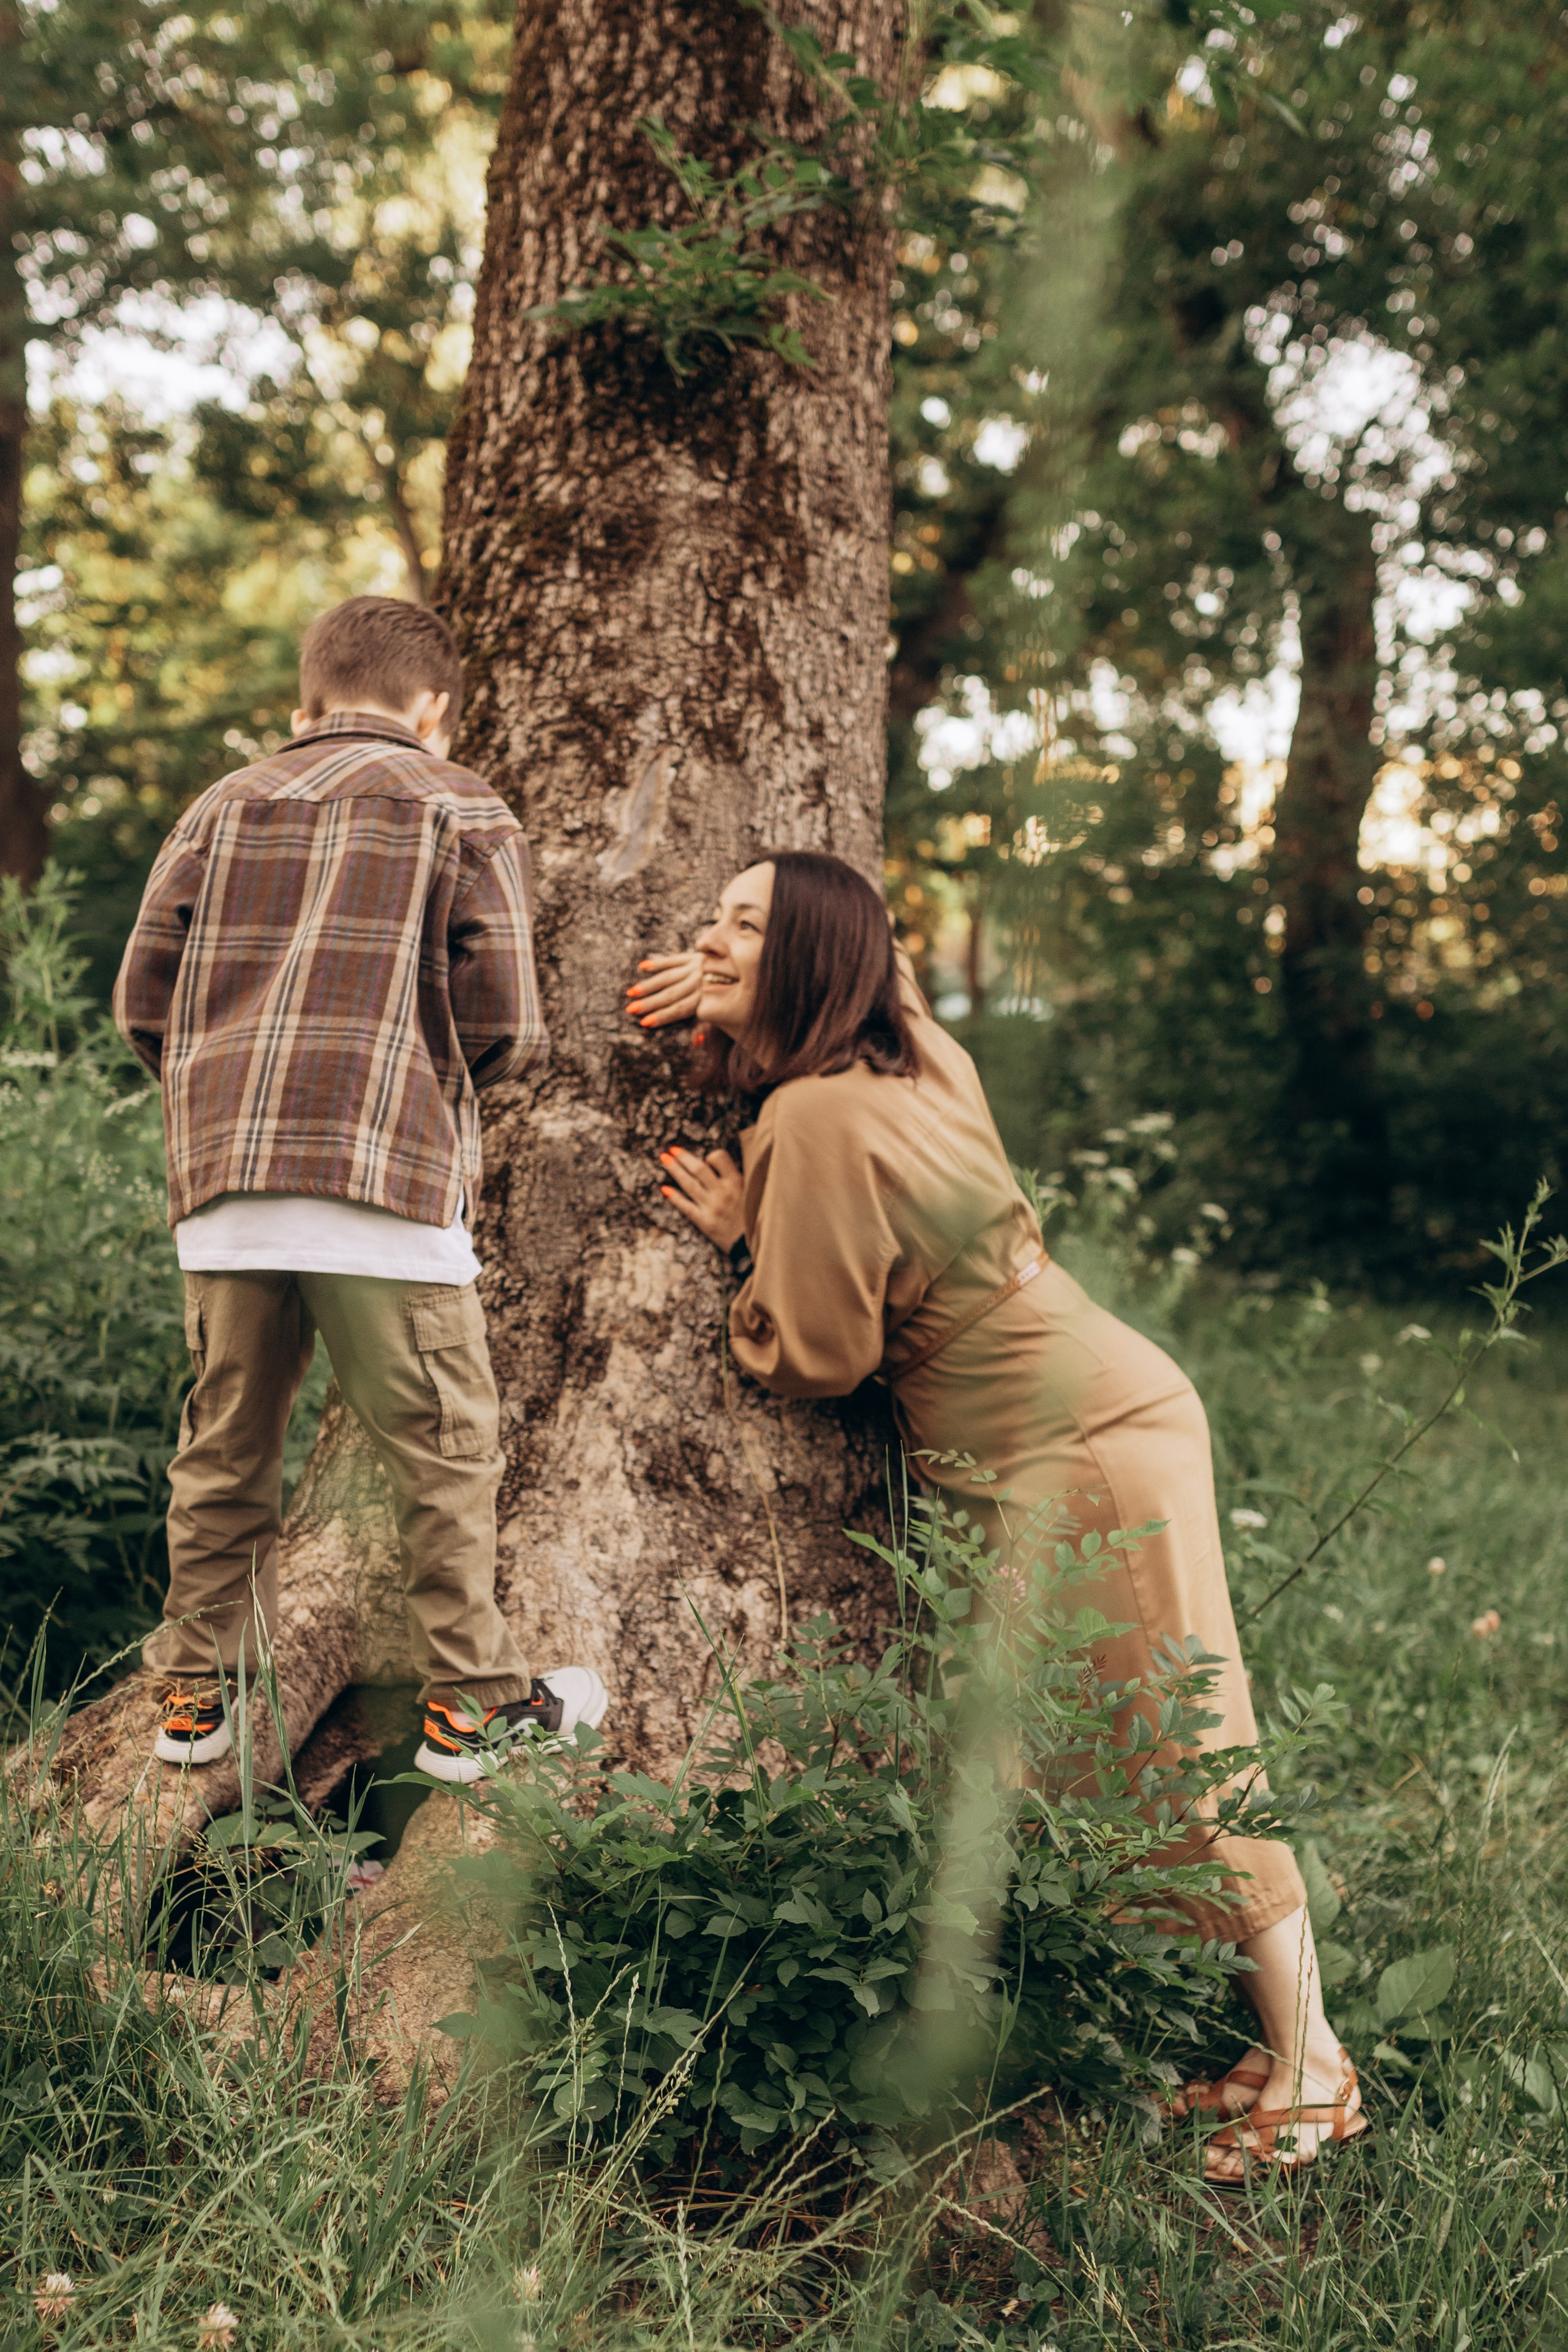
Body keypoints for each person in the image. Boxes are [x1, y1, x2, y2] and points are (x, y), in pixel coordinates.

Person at [627, 848, 1366, 2179]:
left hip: (1075, 1444)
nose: (710, 940)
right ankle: (1272, 2036)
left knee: (1174, 1739)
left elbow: (816, 1354)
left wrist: (749, 1236)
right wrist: (746, 974)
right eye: (709, 921)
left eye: (747, 926)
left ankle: (1312, 2063)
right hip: (1098, 1406)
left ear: (808, 962)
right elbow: (880, 974)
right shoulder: (914, 1059)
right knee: (1119, 1743)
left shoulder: (808, 1120)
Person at [114, 595, 605, 1786]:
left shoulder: (219, 807)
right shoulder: (460, 803)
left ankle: (192, 1700)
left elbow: (144, 996)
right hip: (383, 1178)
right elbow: (503, 1016)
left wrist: (221, 1107)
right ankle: (471, 1709)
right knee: (443, 1450)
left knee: (225, 1445)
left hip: (227, 1194)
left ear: (304, 699)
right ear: (433, 708)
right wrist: (432, 1095)